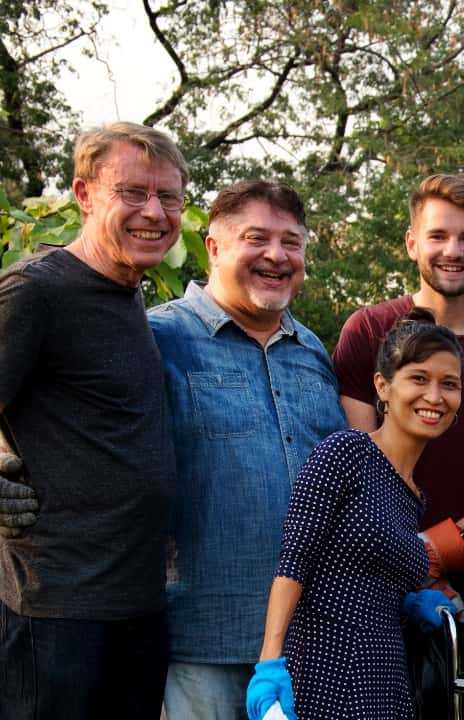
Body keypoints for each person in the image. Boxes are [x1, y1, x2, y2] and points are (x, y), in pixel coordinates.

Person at [0, 122, 186, 719]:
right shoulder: (35, 291)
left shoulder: (129, 293)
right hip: (54, 607)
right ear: (83, 195)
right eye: (132, 193)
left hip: (136, 601)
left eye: (169, 197)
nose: (154, 212)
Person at [148, 181, 346, 719]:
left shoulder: (311, 353)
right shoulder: (158, 338)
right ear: (213, 247)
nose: (277, 256)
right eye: (256, 238)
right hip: (201, 643)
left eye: (292, 242)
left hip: (310, 645)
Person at [246, 309, 463, 720]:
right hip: (323, 675)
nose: (435, 397)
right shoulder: (345, 453)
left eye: (449, 384)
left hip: (385, 683)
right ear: (383, 386)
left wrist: (408, 600)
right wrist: (270, 663)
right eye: (419, 379)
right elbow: (294, 562)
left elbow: (364, 572)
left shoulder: (414, 497)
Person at [332, 173, 464, 538]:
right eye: (438, 236)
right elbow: (363, 471)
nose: (453, 251)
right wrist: (411, 556)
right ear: (412, 243)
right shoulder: (367, 330)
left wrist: (444, 549)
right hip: (383, 553)